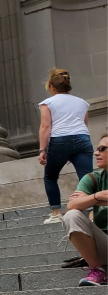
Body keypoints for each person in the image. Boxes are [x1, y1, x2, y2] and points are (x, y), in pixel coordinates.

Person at [39, 69, 93, 224]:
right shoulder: (82, 102)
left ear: (52, 87)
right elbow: (84, 123)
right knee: (87, 177)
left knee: (50, 176)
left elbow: (45, 126)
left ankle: (56, 213)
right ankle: (92, 212)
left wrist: (42, 150)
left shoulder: (48, 103)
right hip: (83, 139)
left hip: (60, 140)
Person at [62, 131, 108, 286]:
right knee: (72, 216)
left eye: (102, 149)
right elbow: (71, 206)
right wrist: (97, 197)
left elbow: (81, 201)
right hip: (103, 243)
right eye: (97, 148)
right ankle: (97, 271)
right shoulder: (93, 178)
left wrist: (87, 200)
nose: (96, 153)